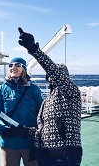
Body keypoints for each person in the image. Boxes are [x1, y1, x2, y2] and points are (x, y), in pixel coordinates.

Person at [18, 27, 82, 166]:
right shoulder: (47, 100)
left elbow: (54, 71)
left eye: (54, 74)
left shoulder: (71, 92)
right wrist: (24, 131)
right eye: (48, 76)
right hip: (45, 156)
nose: (50, 78)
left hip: (64, 157)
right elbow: (44, 130)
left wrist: (34, 50)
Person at [0, 57, 43, 166]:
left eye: (17, 65)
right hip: (8, 143)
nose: (13, 67)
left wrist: (33, 132)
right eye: (11, 65)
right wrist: (3, 130)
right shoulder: (1, 90)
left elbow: (42, 115)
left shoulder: (34, 90)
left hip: (30, 143)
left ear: (24, 69)